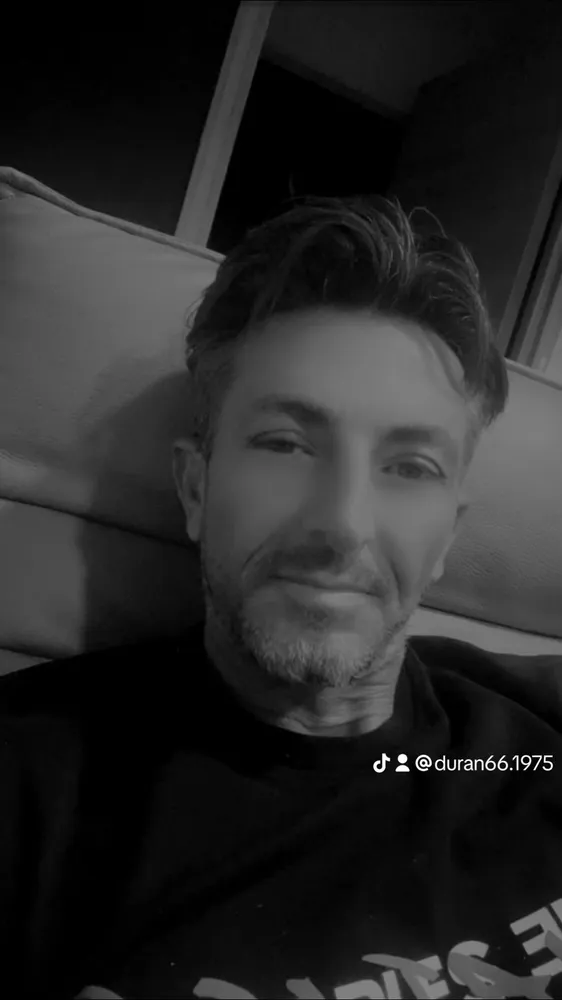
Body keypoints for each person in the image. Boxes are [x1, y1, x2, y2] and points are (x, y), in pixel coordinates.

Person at [2, 195, 562, 1000]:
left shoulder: (528, 740)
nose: (343, 525)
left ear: (447, 537)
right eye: (286, 444)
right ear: (196, 490)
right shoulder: (31, 786)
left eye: (410, 467)